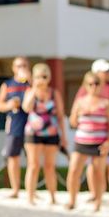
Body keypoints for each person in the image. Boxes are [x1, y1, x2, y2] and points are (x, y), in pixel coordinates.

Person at [75, 59, 109, 204]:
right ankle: (94, 194)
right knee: (92, 166)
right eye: (105, 71)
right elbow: (76, 110)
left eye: (108, 71)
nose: (108, 73)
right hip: (91, 135)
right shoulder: (85, 89)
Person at [66, 72, 109, 212]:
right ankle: (72, 200)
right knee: (74, 170)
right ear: (85, 85)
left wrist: (108, 142)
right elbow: (73, 122)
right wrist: (78, 114)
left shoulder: (106, 103)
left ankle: (98, 203)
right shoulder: (80, 102)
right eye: (90, 83)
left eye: (97, 83)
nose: (94, 86)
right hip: (82, 140)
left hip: (99, 142)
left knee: (99, 173)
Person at [21, 63, 67, 205]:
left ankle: (53, 197)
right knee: (33, 165)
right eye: (38, 76)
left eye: (44, 76)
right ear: (34, 78)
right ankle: (30, 197)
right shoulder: (30, 91)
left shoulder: (54, 93)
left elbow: (60, 115)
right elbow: (26, 108)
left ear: (49, 77)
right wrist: (34, 89)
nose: (42, 79)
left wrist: (63, 136)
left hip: (51, 133)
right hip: (33, 133)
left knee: (49, 166)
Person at [0, 56, 30, 198]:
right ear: (13, 68)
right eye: (18, 66)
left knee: (32, 159)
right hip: (14, 123)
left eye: (24, 65)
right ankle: (15, 189)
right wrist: (9, 105)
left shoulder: (32, 83)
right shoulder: (7, 85)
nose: (21, 68)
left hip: (32, 124)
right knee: (13, 157)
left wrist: (31, 80)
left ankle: (30, 190)